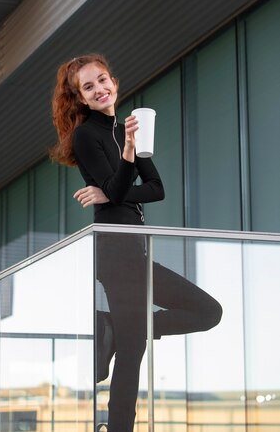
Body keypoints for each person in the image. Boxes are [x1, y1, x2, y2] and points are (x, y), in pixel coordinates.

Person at [50, 53, 222, 432]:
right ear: (80, 97)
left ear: (114, 81)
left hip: (136, 252)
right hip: (114, 252)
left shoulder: (133, 128)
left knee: (208, 312)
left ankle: (113, 324)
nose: (99, 89)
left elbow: (156, 190)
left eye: (102, 79)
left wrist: (111, 190)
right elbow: (118, 186)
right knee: (132, 352)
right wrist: (126, 159)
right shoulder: (86, 135)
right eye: (88, 86)